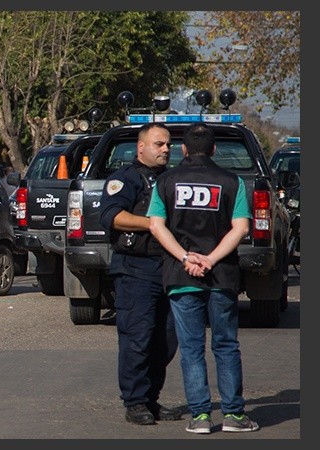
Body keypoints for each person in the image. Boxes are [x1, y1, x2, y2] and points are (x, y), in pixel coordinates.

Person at [147, 122, 258, 434]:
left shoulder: (165, 181)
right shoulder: (232, 182)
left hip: (181, 276)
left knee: (192, 347)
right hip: (221, 275)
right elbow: (241, 228)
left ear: (183, 150)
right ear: (213, 149)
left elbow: (156, 226)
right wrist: (210, 259)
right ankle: (235, 416)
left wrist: (185, 257)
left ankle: (200, 417)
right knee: (225, 344)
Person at [99, 122, 181, 425]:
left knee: (167, 339)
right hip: (136, 268)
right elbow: (112, 216)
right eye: (159, 144)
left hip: (170, 268)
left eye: (168, 145)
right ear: (141, 147)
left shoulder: (173, 180)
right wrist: (151, 224)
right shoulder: (125, 179)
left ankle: (151, 399)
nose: (165, 149)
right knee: (138, 337)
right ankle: (134, 402)